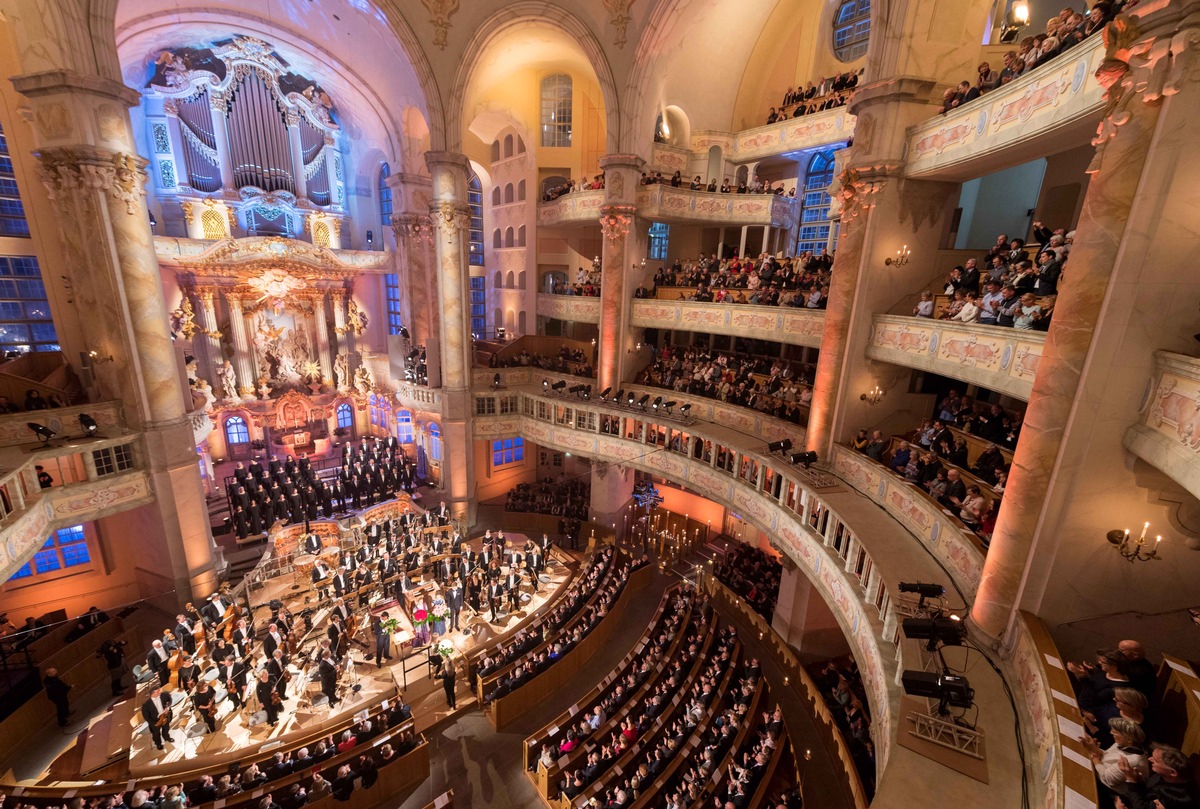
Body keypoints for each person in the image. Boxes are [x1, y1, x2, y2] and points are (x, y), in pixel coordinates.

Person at [141, 686, 175, 750]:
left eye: (160, 690)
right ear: (152, 693)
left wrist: (168, 707)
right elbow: (146, 717)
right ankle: (158, 743)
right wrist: (154, 723)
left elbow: (169, 699)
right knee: (156, 733)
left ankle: (167, 738)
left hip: (165, 716)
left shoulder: (164, 695)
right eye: (158, 691)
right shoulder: (146, 705)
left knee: (166, 729)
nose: (160, 692)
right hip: (155, 721)